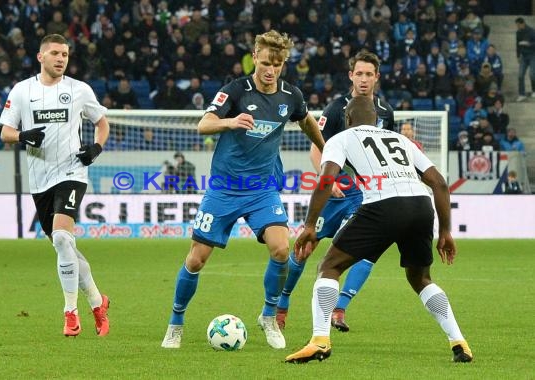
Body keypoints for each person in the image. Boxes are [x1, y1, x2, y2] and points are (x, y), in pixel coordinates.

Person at [161, 29, 325, 350]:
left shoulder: (291, 96)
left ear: (283, 64)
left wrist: (327, 148)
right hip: (224, 188)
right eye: (265, 63)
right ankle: (176, 322)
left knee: (281, 248)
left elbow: (305, 121)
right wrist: (230, 122)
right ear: (255, 56)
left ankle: (268, 316)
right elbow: (204, 124)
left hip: (262, 189)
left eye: (276, 65)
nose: (270, 70)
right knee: (196, 260)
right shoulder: (235, 90)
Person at [284, 96, 473, 364]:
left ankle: (319, 341)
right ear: (376, 119)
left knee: (329, 267)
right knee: (420, 279)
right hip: (420, 206)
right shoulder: (401, 139)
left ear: (347, 119)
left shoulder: (341, 138)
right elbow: (440, 183)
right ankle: (459, 342)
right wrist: (445, 232)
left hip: (382, 206)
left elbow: (327, 178)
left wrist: (310, 225)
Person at [0, 34, 110, 337]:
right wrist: (23, 136)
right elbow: (6, 132)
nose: (61, 59)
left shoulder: (78, 90)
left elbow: (102, 123)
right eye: (56, 54)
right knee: (66, 246)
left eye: (65, 55)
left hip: (72, 172)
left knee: (62, 238)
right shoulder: (23, 91)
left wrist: (96, 148)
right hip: (39, 181)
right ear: (41, 57)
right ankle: (99, 302)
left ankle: (70, 313)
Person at [276, 51, 395, 333]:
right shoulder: (335, 109)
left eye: (369, 74)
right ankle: (281, 304)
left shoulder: (386, 112)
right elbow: (316, 150)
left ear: (376, 77)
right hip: (333, 190)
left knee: (366, 249)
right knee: (305, 248)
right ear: (350, 76)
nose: (364, 79)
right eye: (359, 74)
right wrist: (329, 182)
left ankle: (339, 309)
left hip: (364, 195)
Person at [515, 17, 535, 102]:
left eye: (518, 25)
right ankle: (522, 94)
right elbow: (517, 44)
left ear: (523, 24)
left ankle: (534, 90)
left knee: (532, 74)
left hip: (532, 55)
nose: (518, 27)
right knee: (520, 75)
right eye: (517, 25)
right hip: (523, 55)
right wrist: (518, 56)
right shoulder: (518, 32)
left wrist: (528, 44)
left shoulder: (531, 31)